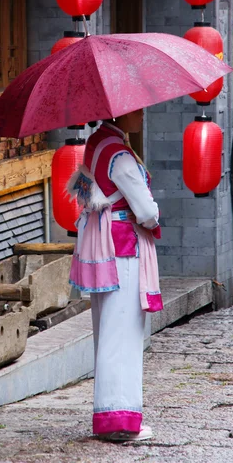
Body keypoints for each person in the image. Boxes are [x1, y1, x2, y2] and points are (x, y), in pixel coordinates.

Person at [67, 109, 163, 442]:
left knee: (107, 332)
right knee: (122, 336)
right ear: (120, 113)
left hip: (103, 248)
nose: (141, 116)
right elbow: (148, 211)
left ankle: (112, 417)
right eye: (136, 111)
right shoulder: (120, 155)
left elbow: (81, 189)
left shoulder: (96, 143)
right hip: (123, 249)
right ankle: (121, 422)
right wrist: (151, 219)